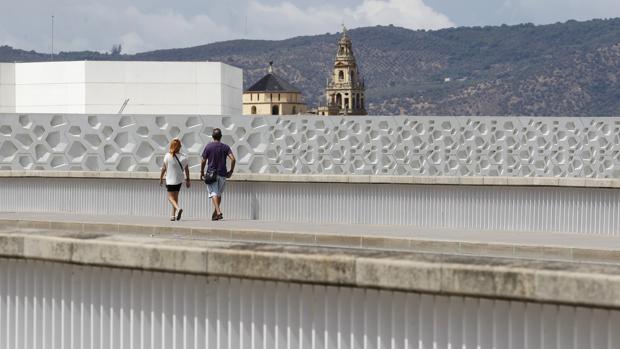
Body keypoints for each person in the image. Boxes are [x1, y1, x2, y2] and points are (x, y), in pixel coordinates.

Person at [201, 128, 236, 221]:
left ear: (212, 136)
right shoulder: (225, 147)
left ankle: (218, 212)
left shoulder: (208, 146)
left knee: (214, 193)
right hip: (223, 174)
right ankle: (215, 213)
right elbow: (233, 159)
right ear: (221, 136)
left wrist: (201, 172)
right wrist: (231, 171)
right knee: (218, 194)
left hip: (212, 174)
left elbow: (203, 160)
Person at [159, 138, 190, 221]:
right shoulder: (184, 157)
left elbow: (163, 168)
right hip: (179, 180)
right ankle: (173, 216)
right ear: (179, 147)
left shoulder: (167, 156)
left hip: (170, 180)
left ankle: (178, 208)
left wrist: (161, 178)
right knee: (175, 198)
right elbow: (187, 169)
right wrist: (188, 180)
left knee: (170, 198)